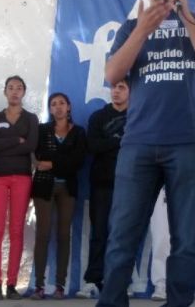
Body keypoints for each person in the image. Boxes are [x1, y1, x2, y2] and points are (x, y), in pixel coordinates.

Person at [98, 0, 195, 307]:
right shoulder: (130, 27)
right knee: (123, 233)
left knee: (186, 237)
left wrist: (187, 15)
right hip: (139, 142)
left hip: (191, 143)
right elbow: (112, 75)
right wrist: (142, 29)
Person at [0, 75, 39, 301]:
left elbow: (32, 145)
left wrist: (4, 145)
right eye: (10, 88)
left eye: (19, 88)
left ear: (24, 92)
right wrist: (16, 141)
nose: (15, 91)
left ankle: (12, 284)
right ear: (5, 92)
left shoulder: (31, 118)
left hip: (22, 177)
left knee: (16, 231)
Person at [30, 93, 87, 300]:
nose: (58, 107)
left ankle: (60, 285)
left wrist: (52, 163)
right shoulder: (42, 130)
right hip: (43, 187)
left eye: (62, 103)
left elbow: (78, 161)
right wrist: (63, 161)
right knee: (42, 234)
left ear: (69, 107)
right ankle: (39, 285)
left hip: (68, 188)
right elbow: (38, 157)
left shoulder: (79, 132)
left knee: (64, 235)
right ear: (50, 109)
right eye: (53, 104)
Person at [78, 79, 130, 299]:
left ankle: (119, 281)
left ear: (130, 92)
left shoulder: (138, 115)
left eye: (122, 88)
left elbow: (138, 145)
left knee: (124, 235)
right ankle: (92, 280)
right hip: (101, 184)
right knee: (99, 233)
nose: (116, 92)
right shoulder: (98, 117)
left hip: (130, 184)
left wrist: (110, 141)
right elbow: (93, 146)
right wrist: (119, 140)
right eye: (114, 87)